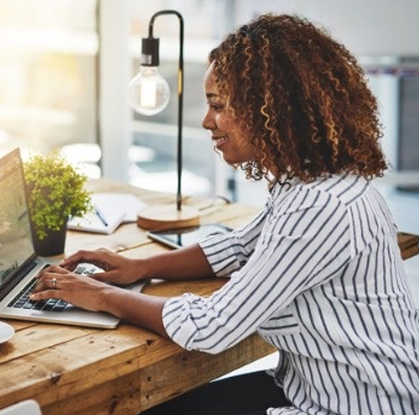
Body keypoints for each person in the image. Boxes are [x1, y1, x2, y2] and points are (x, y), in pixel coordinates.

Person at [30, 13, 419, 415]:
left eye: (218, 105)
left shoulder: (321, 206)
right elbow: (236, 248)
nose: (206, 121)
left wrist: (102, 296)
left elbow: (212, 327)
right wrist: (139, 268)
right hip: (311, 387)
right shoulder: (311, 181)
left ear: (271, 108)